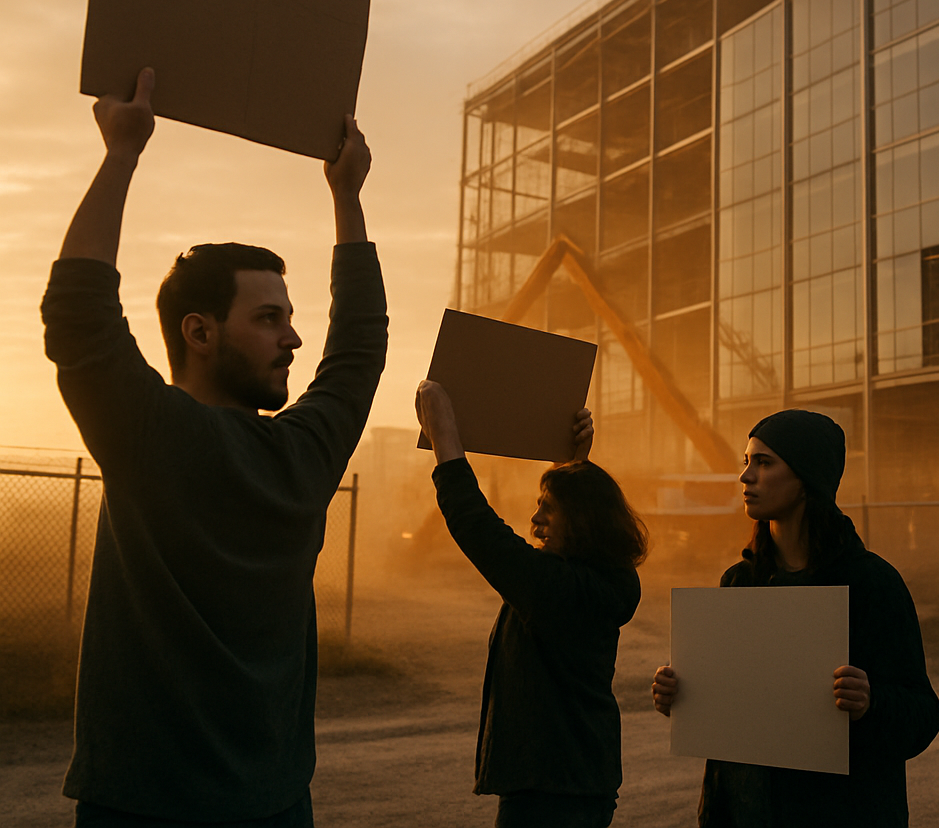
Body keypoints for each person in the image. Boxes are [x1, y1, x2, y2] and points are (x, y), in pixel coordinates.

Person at [40, 67, 387, 825]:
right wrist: (347, 197)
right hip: (275, 807)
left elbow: (77, 312)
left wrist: (122, 152)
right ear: (198, 332)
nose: (295, 337)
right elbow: (361, 348)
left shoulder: (147, 437)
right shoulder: (301, 456)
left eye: (291, 317)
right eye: (269, 318)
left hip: (139, 805)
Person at [651, 409, 939, 827]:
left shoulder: (871, 584)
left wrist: (871, 703)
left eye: (764, 463)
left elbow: (923, 714)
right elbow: (735, 711)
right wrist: (682, 695)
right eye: (747, 462)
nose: (746, 477)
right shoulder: (738, 582)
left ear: (807, 479)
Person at [415, 380, 648, 828]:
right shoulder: (597, 580)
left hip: (554, 793)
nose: (535, 518)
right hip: (573, 783)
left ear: (579, 521)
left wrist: (446, 436)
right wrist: (573, 465)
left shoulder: (563, 590)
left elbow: (479, 528)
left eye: (548, 507)